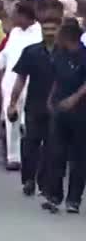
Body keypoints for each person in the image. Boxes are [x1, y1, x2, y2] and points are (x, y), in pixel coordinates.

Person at [7, 14, 60, 197]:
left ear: (59, 30)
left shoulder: (66, 53)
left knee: (52, 147)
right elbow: (21, 78)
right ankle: (28, 179)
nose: (50, 33)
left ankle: (44, 183)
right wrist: (12, 103)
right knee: (31, 144)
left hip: (57, 108)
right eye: (46, 29)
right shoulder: (31, 52)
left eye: (53, 29)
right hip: (34, 105)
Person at [42, 19, 86, 214]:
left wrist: (74, 99)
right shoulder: (59, 55)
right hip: (60, 109)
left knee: (79, 157)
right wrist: (50, 98)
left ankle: (74, 199)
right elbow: (56, 78)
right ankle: (54, 196)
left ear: (68, 37)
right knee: (56, 153)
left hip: (81, 112)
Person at [0, 0, 42, 170]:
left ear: (24, 16)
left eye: (16, 14)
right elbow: (6, 54)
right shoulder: (15, 32)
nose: (13, 17)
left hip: (31, 81)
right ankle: (13, 157)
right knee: (12, 118)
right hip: (10, 81)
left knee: (30, 121)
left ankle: (33, 156)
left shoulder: (38, 33)